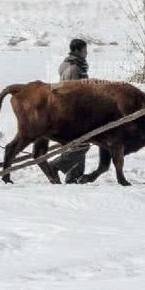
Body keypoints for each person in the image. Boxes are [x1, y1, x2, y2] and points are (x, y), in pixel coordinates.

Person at [49, 38, 90, 183]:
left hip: (67, 111)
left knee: (75, 145)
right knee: (82, 145)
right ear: (78, 51)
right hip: (73, 113)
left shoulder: (67, 65)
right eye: (85, 50)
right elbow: (74, 93)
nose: (87, 53)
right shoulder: (74, 69)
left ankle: (74, 177)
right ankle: (55, 165)